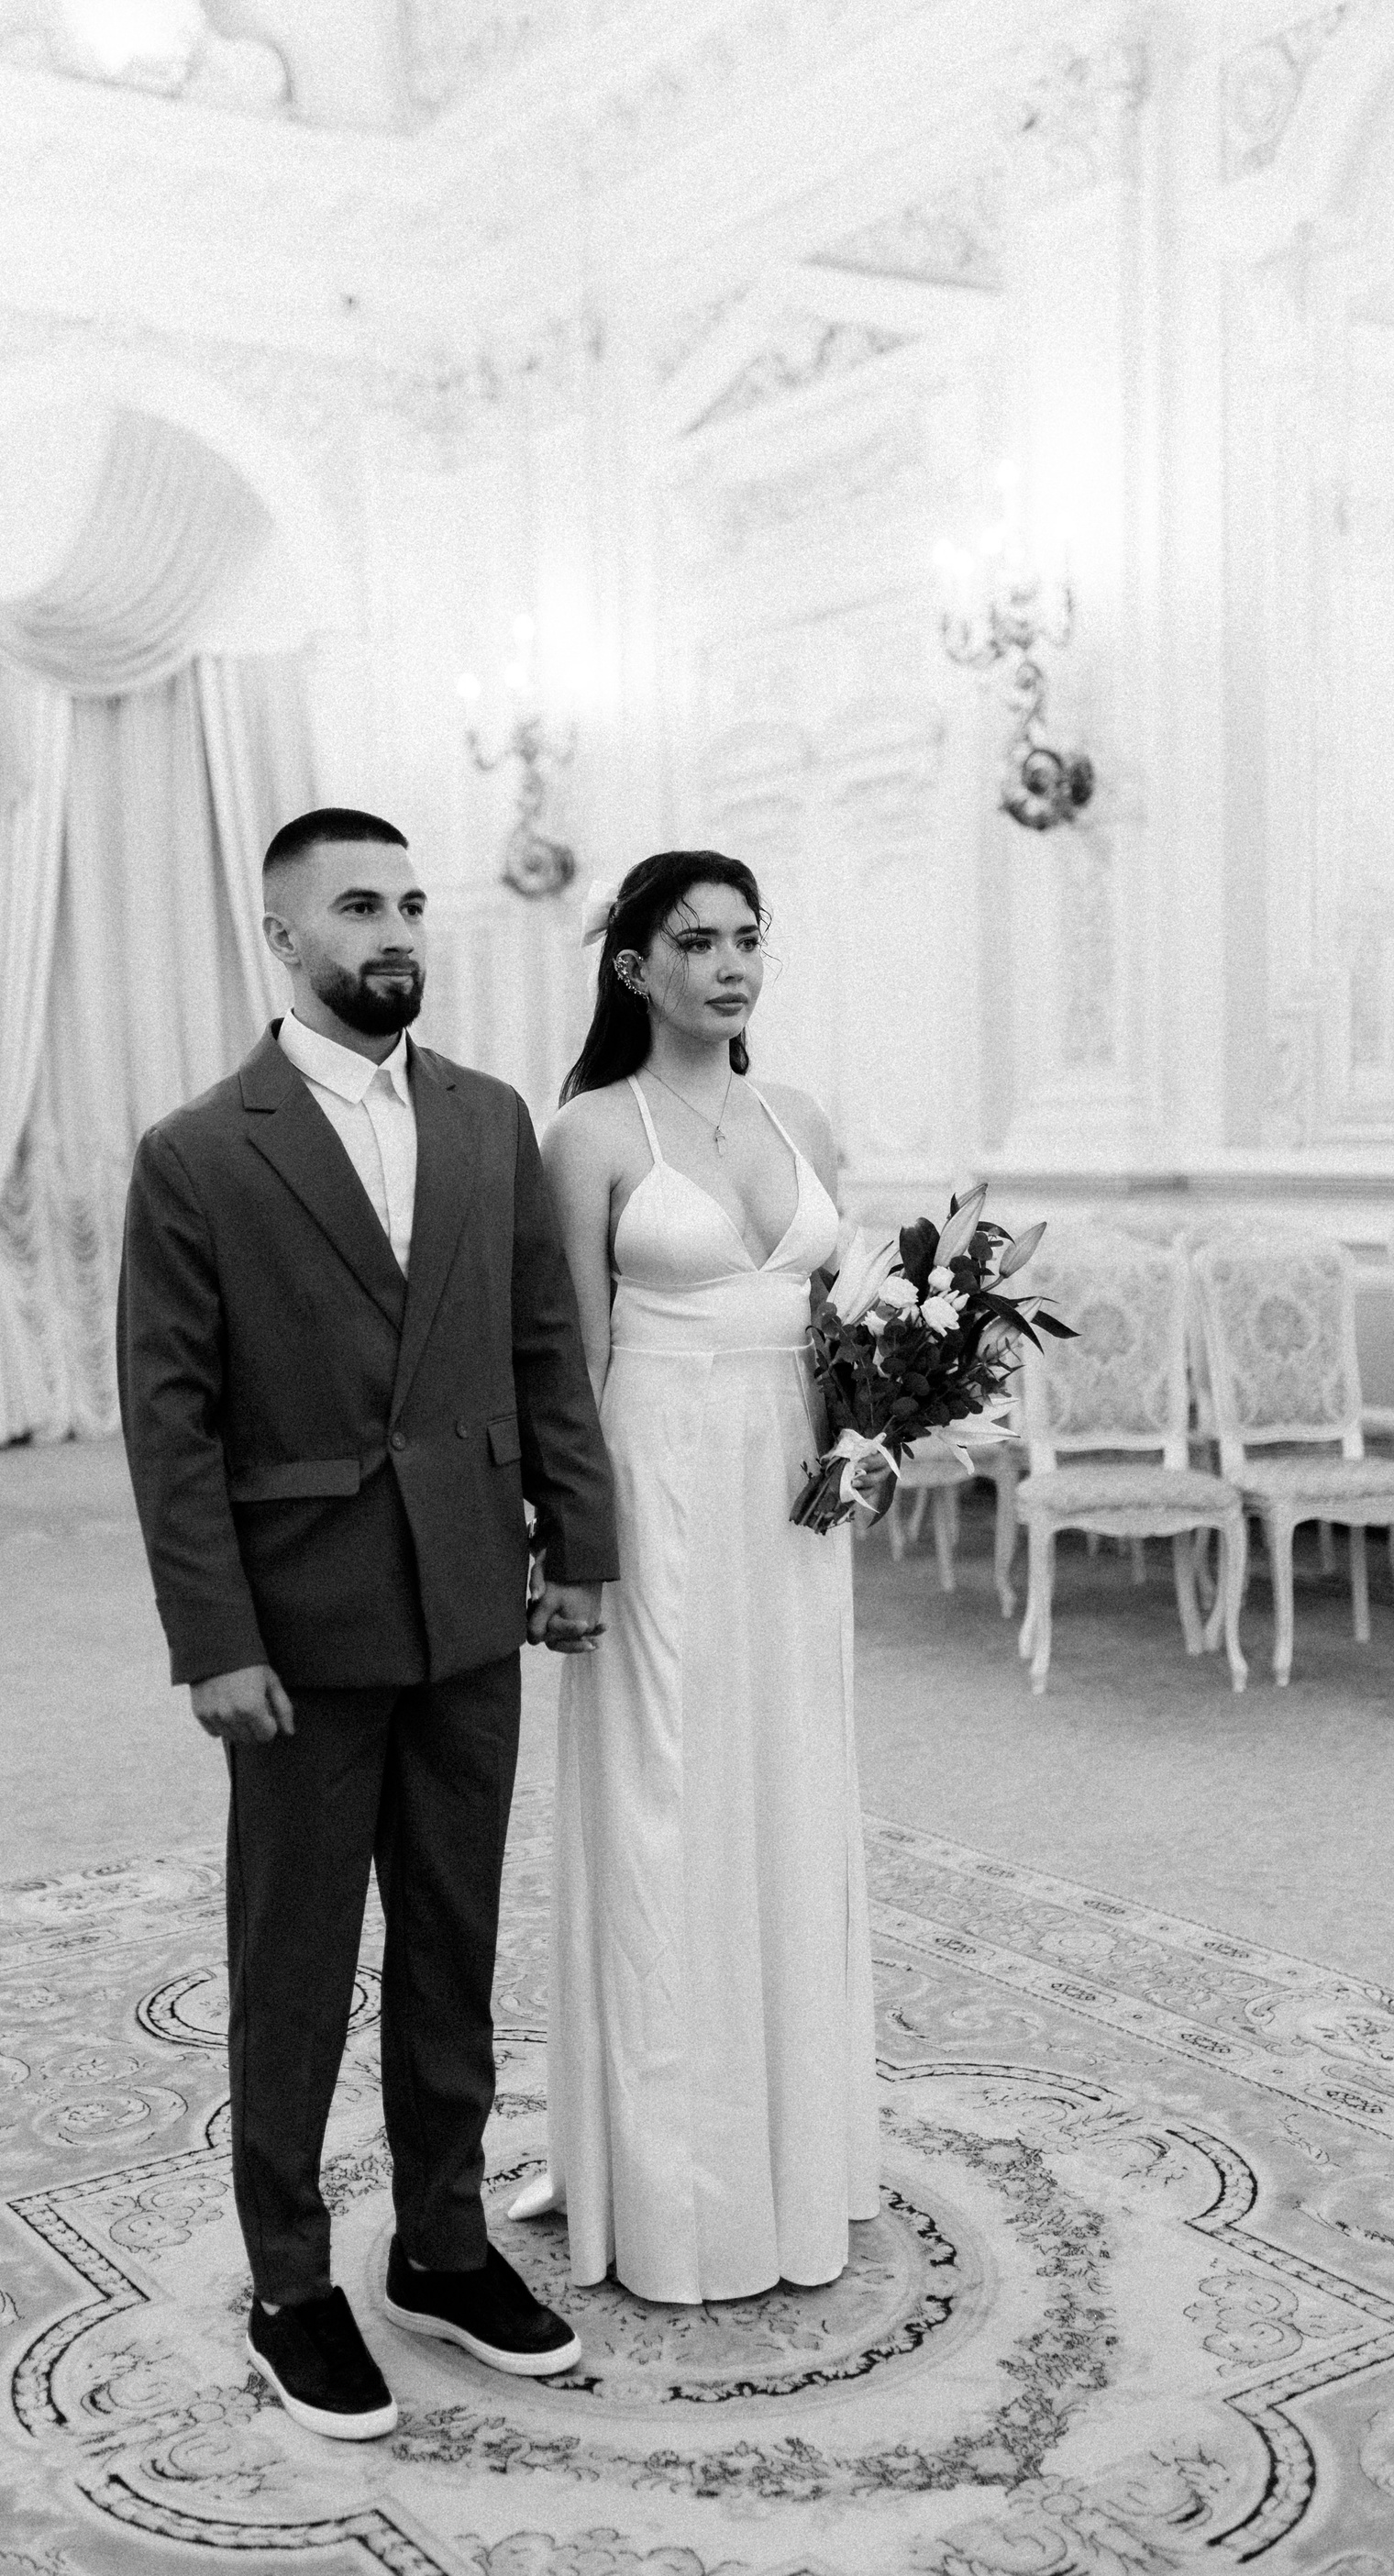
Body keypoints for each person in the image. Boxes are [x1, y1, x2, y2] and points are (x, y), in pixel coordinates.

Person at [116, 807, 619, 2439]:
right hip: (301, 1623)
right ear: (283, 938)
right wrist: (214, 1639)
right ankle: (289, 2282)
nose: (396, 930)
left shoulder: (488, 1118)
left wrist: (579, 1545)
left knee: (454, 1942)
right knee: (296, 1957)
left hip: (471, 1596)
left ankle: (442, 2245)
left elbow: (545, 1349)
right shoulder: (200, 1151)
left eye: (410, 901)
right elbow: (170, 1423)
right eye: (357, 906)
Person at [513, 849, 881, 2304]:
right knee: (665, 1800)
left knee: (788, 1782)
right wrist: (574, 1548)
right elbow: (569, 1358)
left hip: (790, 1498)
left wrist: (868, 1440)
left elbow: (843, 1327)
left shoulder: (802, 1117)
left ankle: (798, 2150)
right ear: (634, 968)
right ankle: (667, 2190)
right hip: (656, 1478)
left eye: (746, 938)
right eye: (696, 941)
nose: (730, 965)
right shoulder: (589, 1130)